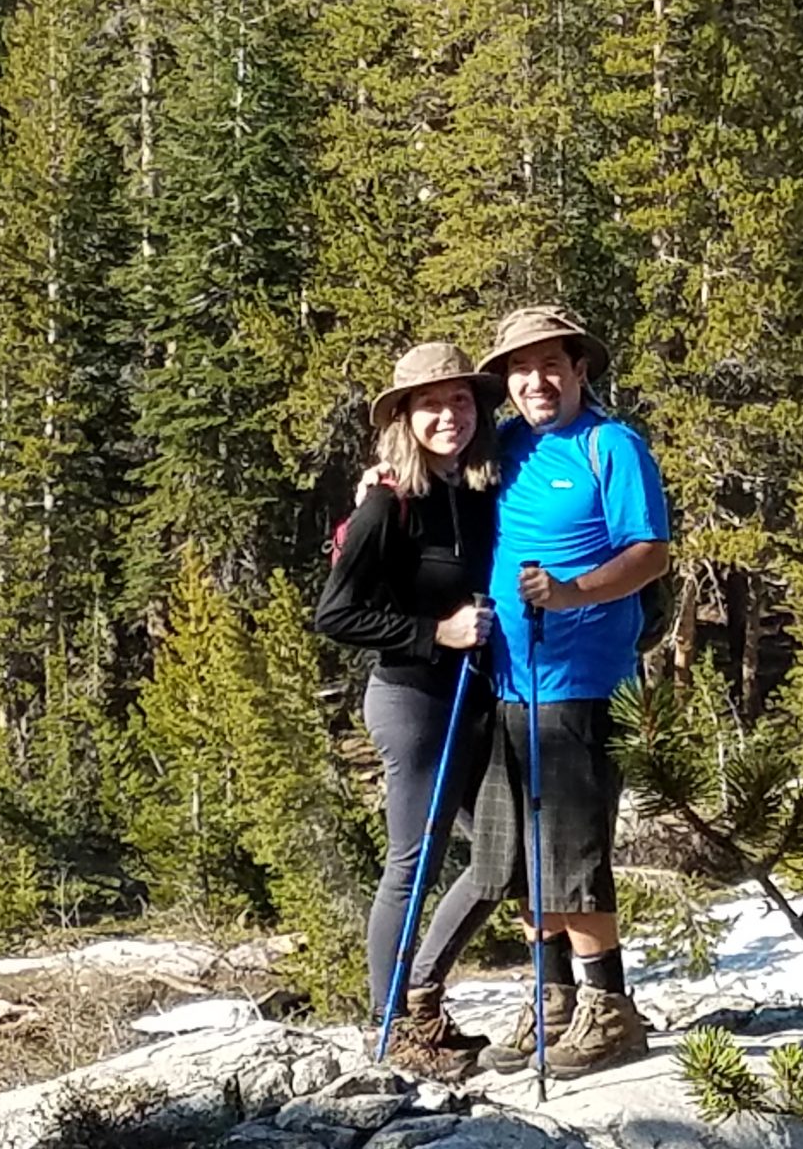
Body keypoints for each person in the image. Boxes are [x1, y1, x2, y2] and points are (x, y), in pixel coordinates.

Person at [465, 305, 671, 1079]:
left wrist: (572, 592)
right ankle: (552, 999)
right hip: (511, 682)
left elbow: (650, 552)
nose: (535, 380)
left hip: (582, 682)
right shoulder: (511, 445)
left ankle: (610, 1010)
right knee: (525, 852)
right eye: (520, 369)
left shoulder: (610, 447)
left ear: (581, 370)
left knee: (574, 854)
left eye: (552, 364)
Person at [313, 341, 506, 1077]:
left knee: (503, 860)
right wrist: (437, 633)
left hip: (480, 697)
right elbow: (336, 615)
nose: (448, 414)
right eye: (431, 403)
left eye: (460, 400)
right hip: (413, 701)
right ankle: (392, 1023)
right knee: (413, 865)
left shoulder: (483, 487)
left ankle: (418, 992)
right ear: (404, 417)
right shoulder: (385, 504)